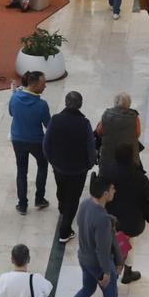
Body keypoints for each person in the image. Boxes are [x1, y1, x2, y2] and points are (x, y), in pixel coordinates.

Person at [58, 174, 123, 297]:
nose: (115, 191)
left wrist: (109, 220)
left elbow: (85, 225)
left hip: (84, 258)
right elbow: (103, 250)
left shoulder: (85, 204)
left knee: (87, 289)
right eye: (113, 189)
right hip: (99, 265)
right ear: (105, 194)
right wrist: (107, 272)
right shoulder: (102, 219)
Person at [43, 91, 96, 243]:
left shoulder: (55, 120)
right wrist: (90, 163)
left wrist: (52, 160)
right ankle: (64, 232)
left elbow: (46, 144)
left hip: (59, 166)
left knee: (62, 189)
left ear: (66, 103)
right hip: (78, 170)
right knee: (73, 199)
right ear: (80, 105)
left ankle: (61, 208)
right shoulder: (84, 124)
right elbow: (90, 147)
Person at [101, 144, 149, 284]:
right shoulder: (139, 176)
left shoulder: (107, 173)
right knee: (129, 243)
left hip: (110, 219)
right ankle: (127, 272)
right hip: (132, 221)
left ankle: (106, 271)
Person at [8, 71, 51, 215]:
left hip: (17, 139)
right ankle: (39, 198)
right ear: (35, 84)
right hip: (36, 141)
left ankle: (22, 204)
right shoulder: (42, 105)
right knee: (43, 164)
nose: (45, 86)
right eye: (43, 83)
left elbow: (11, 113)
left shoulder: (14, 97)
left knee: (21, 171)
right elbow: (48, 125)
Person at [95, 92, 142, 166]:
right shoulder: (134, 117)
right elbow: (137, 133)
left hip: (108, 155)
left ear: (115, 103)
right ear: (129, 104)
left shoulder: (107, 115)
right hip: (128, 155)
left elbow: (99, 132)